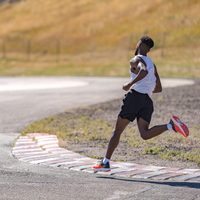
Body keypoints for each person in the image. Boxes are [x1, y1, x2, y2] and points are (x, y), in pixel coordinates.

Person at [92, 36, 189, 172]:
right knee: (144, 133)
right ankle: (170, 125)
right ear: (148, 49)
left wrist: (129, 84)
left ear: (139, 44)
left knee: (117, 131)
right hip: (147, 101)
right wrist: (146, 89)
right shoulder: (153, 65)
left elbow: (142, 70)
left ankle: (105, 162)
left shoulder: (136, 59)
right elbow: (159, 88)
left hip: (135, 98)